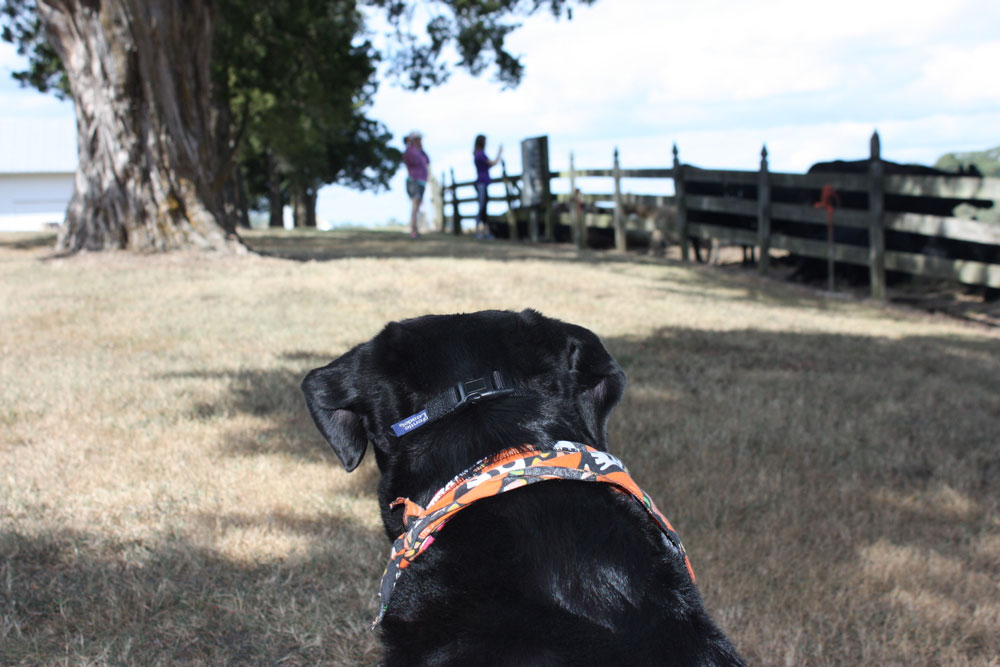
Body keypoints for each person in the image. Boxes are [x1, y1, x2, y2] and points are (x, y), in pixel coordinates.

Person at [473, 134, 502, 239]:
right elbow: (494, 163)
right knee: (482, 207)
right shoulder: (480, 154)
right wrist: (499, 153)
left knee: (484, 208)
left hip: (482, 183)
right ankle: (478, 232)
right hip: (482, 183)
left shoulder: (478, 154)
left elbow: (489, 165)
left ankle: (485, 232)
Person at [402, 131, 430, 239]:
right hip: (414, 181)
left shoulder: (421, 152)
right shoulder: (409, 151)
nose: (420, 141)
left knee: (418, 206)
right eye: (418, 139)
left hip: (422, 181)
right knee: (415, 206)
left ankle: (416, 229)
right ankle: (413, 230)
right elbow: (409, 161)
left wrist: (421, 150)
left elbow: (427, 161)